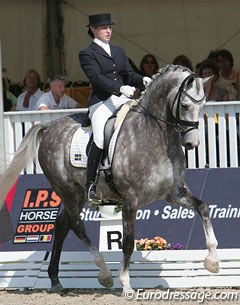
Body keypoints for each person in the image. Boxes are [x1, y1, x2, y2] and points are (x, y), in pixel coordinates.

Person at [79, 13, 151, 204]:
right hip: (101, 101)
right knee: (101, 138)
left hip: (122, 98)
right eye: (104, 28)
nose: (108, 30)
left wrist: (143, 79)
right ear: (93, 30)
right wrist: (120, 88)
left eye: (110, 27)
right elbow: (96, 79)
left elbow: (129, 74)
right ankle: (90, 185)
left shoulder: (118, 51)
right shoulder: (87, 53)